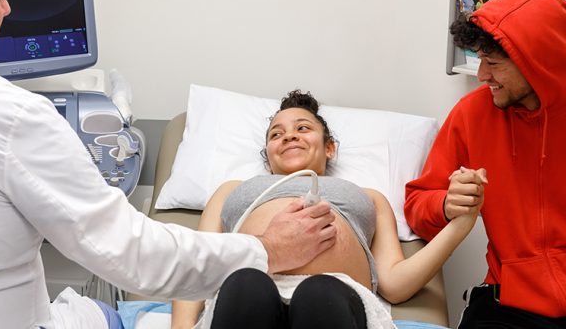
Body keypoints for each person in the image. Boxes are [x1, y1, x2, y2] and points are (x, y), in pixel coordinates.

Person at [0, 0, 338, 327]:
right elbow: (131, 253)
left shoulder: (362, 195)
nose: (8, 8)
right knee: (106, 315)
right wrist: (268, 248)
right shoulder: (11, 115)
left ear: (331, 147)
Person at [172, 90, 480, 329]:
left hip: (335, 298)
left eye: (302, 128)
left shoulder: (369, 197)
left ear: (329, 147)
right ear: (267, 155)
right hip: (248, 294)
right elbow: (198, 264)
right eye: (276, 134)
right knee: (247, 285)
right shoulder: (231, 190)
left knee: (319, 293)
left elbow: (395, 284)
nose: (289, 135)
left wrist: (460, 227)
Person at [404, 0, 566, 328]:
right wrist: (447, 203)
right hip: (507, 301)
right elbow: (417, 205)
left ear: (538, 61)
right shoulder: (471, 114)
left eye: (492, 63)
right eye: (480, 61)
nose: (482, 76)